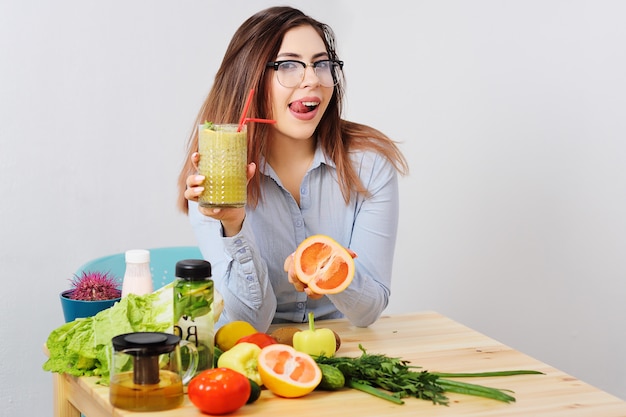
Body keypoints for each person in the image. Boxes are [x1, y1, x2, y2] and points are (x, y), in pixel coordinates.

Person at [178, 6, 408, 332]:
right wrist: (233, 225)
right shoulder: (213, 176)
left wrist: (328, 267)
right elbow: (249, 323)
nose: (312, 79)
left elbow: (367, 311)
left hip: (342, 349)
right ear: (250, 77)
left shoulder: (369, 166)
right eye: (288, 65)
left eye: (321, 64)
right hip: (255, 354)